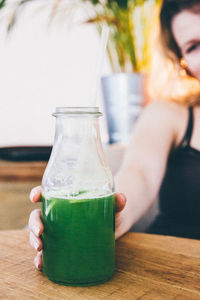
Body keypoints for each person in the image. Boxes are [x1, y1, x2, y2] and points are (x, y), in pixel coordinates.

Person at [29, 0, 200, 270]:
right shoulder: (169, 113)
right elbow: (139, 172)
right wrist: (108, 216)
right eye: (194, 46)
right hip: (169, 270)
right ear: (183, 61)